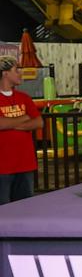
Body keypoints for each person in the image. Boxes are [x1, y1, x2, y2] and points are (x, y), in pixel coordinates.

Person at [0, 56, 42, 204]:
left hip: (25, 163)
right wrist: (23, 118)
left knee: (25, 208)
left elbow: (38, 122)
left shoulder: (24, 97)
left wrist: (10, 123)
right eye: (16, 70)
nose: (20, 73)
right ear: (5, 73)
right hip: (2, 166)